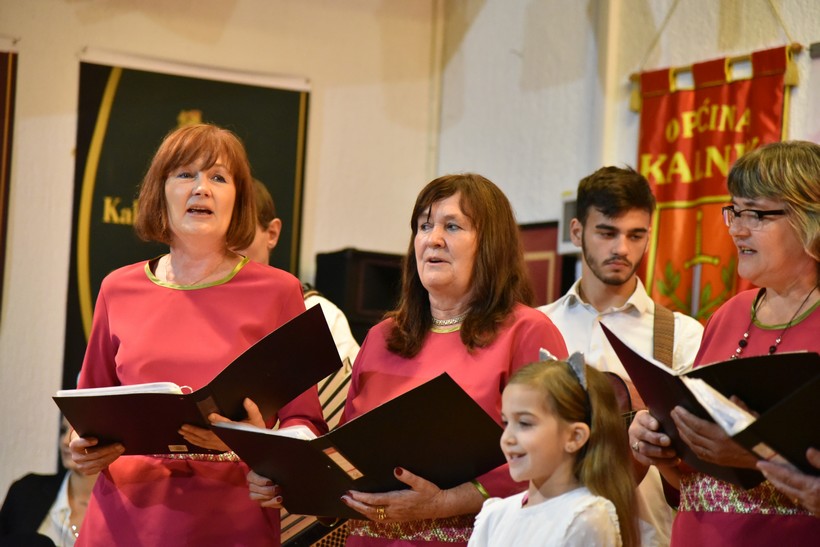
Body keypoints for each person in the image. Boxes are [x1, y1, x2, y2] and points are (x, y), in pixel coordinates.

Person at [248, 173, 568, 546]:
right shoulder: (382, 337)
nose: (433, 239)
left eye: (452, 226)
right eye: (424, 226)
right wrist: (288, 480)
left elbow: (553, 456)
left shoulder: (526, 331)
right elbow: (344, 464)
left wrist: (445, 502)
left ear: (491, 244)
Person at [68, 123, 327, 546]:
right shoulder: (117, 287)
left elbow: (306, 421)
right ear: (160, 192)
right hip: (121, 518)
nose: (201, 188)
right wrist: (82, 446)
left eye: (218, 177)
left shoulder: (279, 291)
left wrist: (255, 443)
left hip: (230, 517)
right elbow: (89, 406)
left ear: (238, 200)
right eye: (185, 174)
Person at [629, 140, 820, 544]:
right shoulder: (729, 314)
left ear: (811, 218)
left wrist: (753, 456)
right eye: (735, 210)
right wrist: (662, 447)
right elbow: (694, 485)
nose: (736, 228)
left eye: (756, 214)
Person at [539, 165, 703, 546]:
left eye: (636, 234)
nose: (622, 249)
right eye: (607, 232)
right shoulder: (536, 326)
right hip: (549, 534)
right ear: (577, 231)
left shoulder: (682, 336)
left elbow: (701, 464)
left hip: (646, 536)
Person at [468, 354, 639, 547]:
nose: (507, 438)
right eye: (506, 423)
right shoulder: (493, 516)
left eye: (524, 423)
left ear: (574, 437)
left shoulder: (584, 517)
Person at [237, 179, 360, 369]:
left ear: (272, 233)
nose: (228, 247)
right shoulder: (197, 310)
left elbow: (352, 386)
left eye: (240, 234)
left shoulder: (319, 316)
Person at [1, 417, 98, 546]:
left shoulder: (121, 510)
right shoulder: (26, 491)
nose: (65, 441)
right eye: (63, 430)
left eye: (78, 433)